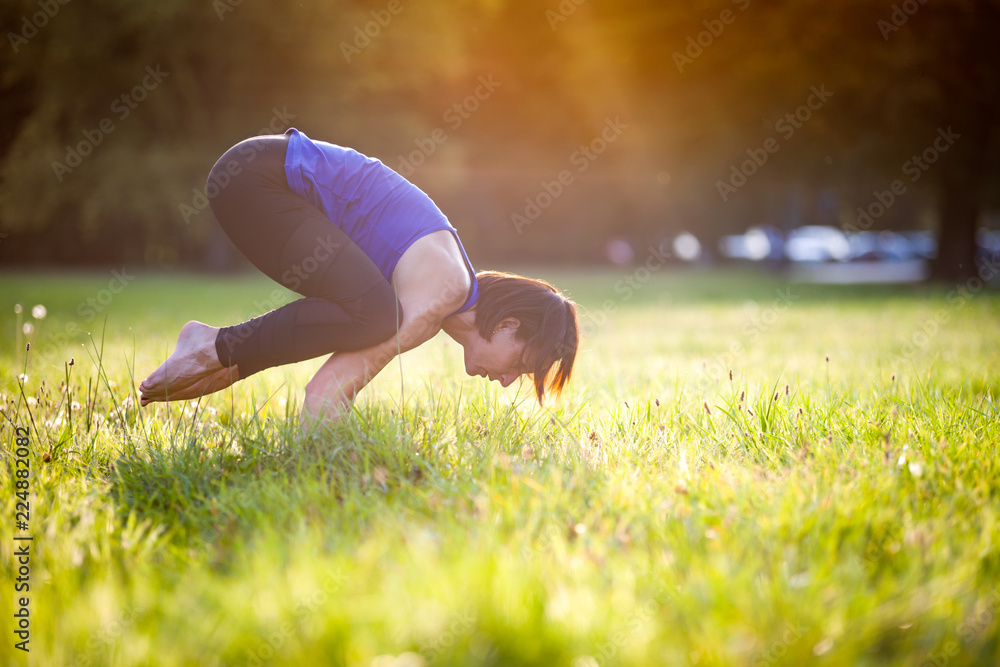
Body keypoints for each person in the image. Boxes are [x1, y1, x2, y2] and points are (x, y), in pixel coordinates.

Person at [139, 128, 579, 426]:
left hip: (255, 177)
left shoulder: (440, 290)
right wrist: (345, 473)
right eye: (520, 365)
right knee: (374, 315)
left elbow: (328, 372)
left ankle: (216, 349)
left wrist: (232, 368)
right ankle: (211, 344)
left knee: (368, 310)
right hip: (259, 180)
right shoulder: (440, 293)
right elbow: (325, 396)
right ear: (507, 325)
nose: (506, 382)